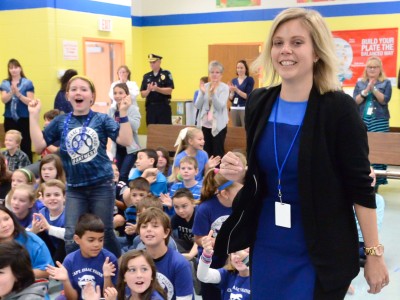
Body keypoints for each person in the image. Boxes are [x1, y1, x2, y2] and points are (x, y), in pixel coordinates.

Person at [214, 7, 389, 299]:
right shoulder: (260, 101)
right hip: (268, 240)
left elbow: (360, 188)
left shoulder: (338, 109)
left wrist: (373, 254)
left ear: (317, 51)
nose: (286, 50)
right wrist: (244, 174)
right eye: (278, 42)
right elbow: (269, 174)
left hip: (318, 247)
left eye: (297, 42)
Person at [28, 75, 134, 258]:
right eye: (74, 89)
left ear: (92, 96)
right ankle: (76, 276)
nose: (79, 92)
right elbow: (38, 146)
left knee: (105, 232)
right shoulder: (61, 122)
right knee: (71, 235)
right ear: (68, 95)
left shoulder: (101, 119)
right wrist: (33, 116)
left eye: (84, 89)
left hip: (101, 185)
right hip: (75, 188)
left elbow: (125, 140)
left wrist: (123, 113)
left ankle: (120, 269)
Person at [192, 168, 243, 300]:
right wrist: (211, 242)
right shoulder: (205, 209)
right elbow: (198, 237)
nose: (243, 195)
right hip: (211, 262)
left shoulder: (240, 207)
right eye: (239, 192)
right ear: (225, 193)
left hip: (234, 262)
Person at [46, 213, 118, 300]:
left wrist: (107, 277)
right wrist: (66, 281)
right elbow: (71, 298)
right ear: (77, 239)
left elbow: (111, 296)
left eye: (100, 240)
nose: (97, 244)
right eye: (91, 240)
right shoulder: (70, 260)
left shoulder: (109, 259)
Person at [135, 207, 194, 300]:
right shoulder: (134, 262)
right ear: (139, 233)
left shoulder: (179, 264)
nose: (148, 229)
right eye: (144, 226)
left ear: (166, 232)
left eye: (155, 226)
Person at [353, 56, 392, 189]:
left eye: (375, 67)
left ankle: (377, 184)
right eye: (369, 67)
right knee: (363, 150)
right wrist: (366, 90)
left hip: (380, 120)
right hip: (362, 119)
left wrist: (373, 88)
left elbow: (384, 100)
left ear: (379, 69)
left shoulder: (385, 83)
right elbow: (355, 102)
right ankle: (365, 180)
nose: (372, 69)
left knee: (379, 151)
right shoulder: (360, 83)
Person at [0, 206, 53, 279]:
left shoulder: (31, 240)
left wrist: (15, 275)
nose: (4, 225)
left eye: (6, 219)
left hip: (30, 287)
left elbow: (48, 270)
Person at [198, 230, 250, 300]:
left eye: (244, 251)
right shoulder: (228, 274)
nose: (237, 256)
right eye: (234, 252)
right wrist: (206, 254)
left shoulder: (260, 280)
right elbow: (203, 276)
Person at [0, 58, 35, 162]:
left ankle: (28, 169)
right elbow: (4, 100)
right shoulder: (5, 83)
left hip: (24, 117)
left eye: (16, 67)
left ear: (20, 68)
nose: (13, 70)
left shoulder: (27, 83)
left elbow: (30, 101)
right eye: (11, 68)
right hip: (9, 117)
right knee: (10, 144)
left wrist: (18, 94)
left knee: (25, 144)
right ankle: (9, 167)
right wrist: (11, 91)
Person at [194, 61, 229, 158]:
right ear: (209, 74)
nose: (214, 74)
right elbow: (197, 105)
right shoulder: (204, 86)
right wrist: (201, 93)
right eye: (212, 72)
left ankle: (217, 173)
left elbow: (220, 106)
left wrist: (213, 94)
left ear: (221, 75)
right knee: (205, 152)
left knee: (218, 152)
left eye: (217, 72)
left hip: (218, 126)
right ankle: (207, 172)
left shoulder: (224, 88)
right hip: (205, 124)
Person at [108, 82, 141, 184]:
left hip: (131, 149)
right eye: (115, 93)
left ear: (126, 95)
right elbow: (109, 127)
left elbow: (136, 126)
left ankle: (124, 196)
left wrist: (124, 114)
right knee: (115, 173)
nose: (117, 96)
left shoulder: (133, 109)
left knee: (123, 174)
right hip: (117, 147)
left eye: (120, 93)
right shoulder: (112, 110)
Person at [30, 179, 66, 263]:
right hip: (51, 249)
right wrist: (33, 231)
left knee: (64, 241)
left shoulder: (69, 213)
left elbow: (72, 235)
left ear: (64, 197)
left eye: (56, 195)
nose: (52, 198)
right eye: (48, 195)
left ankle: (52, 269)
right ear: (42, 198)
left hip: (66, 253)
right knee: (37, 232)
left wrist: (49, 228)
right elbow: (25, 232)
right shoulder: (42, 212)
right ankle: (40, 264)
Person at [140, 54, 174, 125]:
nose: (151, 64)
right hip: (151, 108)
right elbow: (142, 94)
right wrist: (148, 90)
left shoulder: (166, 74)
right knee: (152, 130)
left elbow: (169, 91)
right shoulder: (146, 76)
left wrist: (157, 89)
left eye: (154, 62)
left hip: (163, 107)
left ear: (159, 62)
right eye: (150, 62)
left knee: (164, 130)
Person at [171, 188, 197, 259]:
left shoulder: (199, 216)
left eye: (184, 206)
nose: (180, 211)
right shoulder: (176, 218)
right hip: (184, 247)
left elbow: (201, 240)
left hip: (200, 249)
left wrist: (191, 255)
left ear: (193, 203)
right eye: (176, 207)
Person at [228, 60, 255, 127]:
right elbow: (231, 98)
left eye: (241, 68)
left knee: (245, 129)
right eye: (238, 68)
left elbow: (247, 96)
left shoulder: (249, 79)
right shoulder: (234, 80)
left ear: (245, 69)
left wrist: (237, 90)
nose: (239, 70)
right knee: (236, 131)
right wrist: (231, 91)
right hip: (234, 108)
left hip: (244, 108)